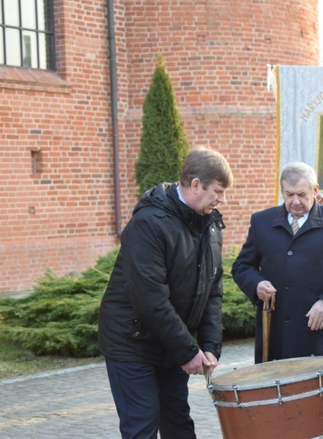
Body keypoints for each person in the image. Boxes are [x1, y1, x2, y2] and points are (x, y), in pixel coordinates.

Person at [97, 147, 232, 438]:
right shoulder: (148, 224)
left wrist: (209, 346)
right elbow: (150, 298)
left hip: (170, 344)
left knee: (178, 425)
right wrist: (187, 351)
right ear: (196, 185)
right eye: (218, 191)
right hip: (131, 343)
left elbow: (212, 291)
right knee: (143, 424)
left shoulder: (210, 226)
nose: (222, 200)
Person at [232, 162, 323, 363]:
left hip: (317, 334)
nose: (295, 201)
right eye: (289, 194)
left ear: (315, 191)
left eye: (301, 194)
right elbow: (242, 266)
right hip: (274, 334)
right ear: (282, 191)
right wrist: (256, 284)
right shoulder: (261, 221)